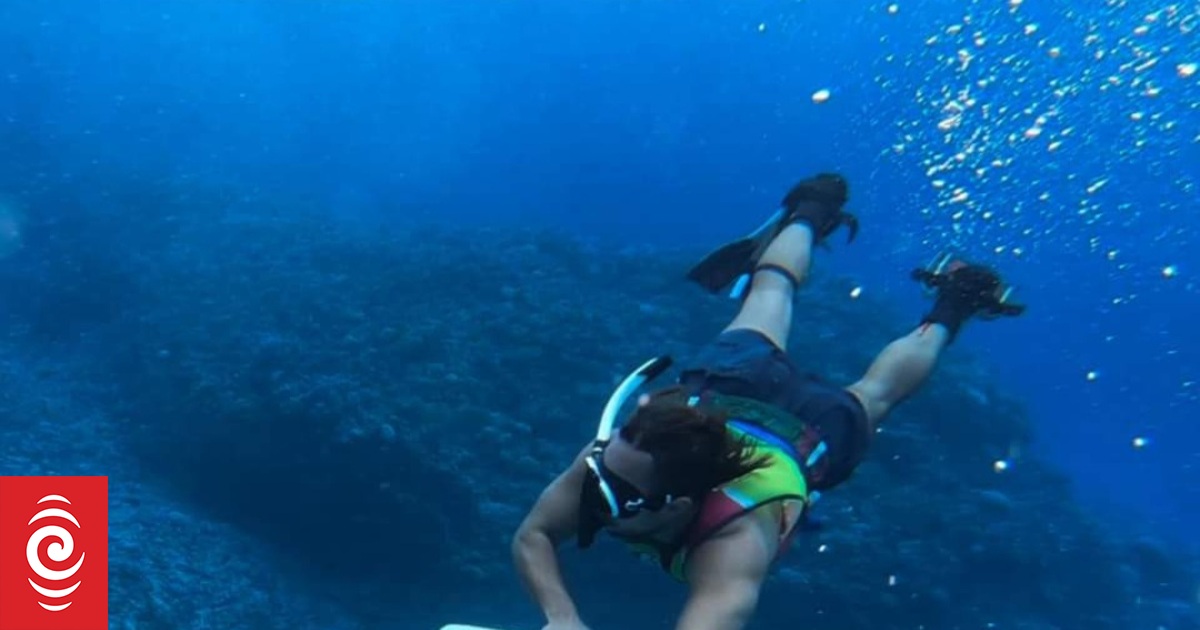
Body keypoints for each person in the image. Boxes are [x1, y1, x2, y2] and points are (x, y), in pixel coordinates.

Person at [511, 173, 1025, 630]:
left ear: (681, 508)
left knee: (870, 389)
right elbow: (533, 534)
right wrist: (562, 617)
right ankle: (811, 213)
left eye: (618, 495)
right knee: (771, 295)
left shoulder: (733, 545)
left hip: (805, 435)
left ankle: (953, 305)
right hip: (729, 391)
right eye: (599, 476)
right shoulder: (614, 461)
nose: (594, 497)